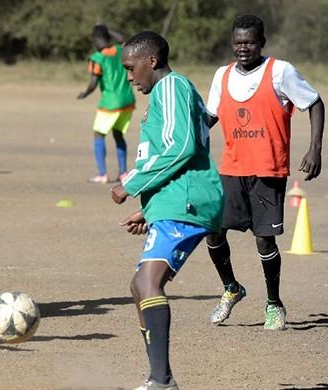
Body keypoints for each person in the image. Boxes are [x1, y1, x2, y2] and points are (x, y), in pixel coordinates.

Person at [111, 31, 224, 390]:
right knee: (138, 285)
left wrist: (131, 184)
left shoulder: (171, 86)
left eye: (131, 68)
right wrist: (151, 208)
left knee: (149, 281)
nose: (130, 77)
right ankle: (160, 377)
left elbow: (181, 147)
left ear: (152, 62)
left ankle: (161, 381)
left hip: (188, 198)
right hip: (174, 198)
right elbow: (200, 125)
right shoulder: (167, 92)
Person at [204, 14, 324, 330]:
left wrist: (315, 148)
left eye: (250, 42)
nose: (243, 48)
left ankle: (273, 304)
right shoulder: (222, 75)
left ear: (262, 43)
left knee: (264, 242)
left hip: (268, 170)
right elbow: (209, 117)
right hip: (231, 168)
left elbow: (314, 102)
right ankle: (231, 288)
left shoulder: (280, 72)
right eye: (238, 42)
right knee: (213, 231)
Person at [77, 23, 135, 184]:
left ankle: (102, 174)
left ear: (96, 40)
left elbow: (93, 83)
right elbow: (126, 39)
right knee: (118, 134)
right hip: (127, 101)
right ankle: (123, 173)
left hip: (110, 103)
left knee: (98, 134)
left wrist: (85, 93)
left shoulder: (97, 58)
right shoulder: (120, 50)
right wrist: (108, 30)